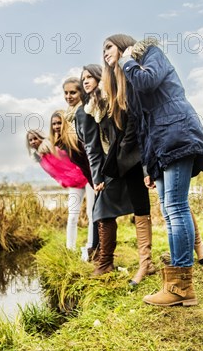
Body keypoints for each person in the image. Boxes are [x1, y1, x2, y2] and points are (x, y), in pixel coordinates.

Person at [104, 34, 203, 306]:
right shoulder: (128, 80)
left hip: (176, 134)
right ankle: (176, 283)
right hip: (160, 146)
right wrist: (147, 166)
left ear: (124, 45)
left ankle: (181, 285)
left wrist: (128, 61)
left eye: (108, 47)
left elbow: (148, 80)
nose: (104, 53)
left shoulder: (151, 54)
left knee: (176, 207)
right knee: (168, 209)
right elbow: (141, 125)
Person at [100, 61, 157, 286]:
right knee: (140, 208)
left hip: (150, 149)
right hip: (130, 159)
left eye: (110, 48)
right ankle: (146, 263)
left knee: (174, 201)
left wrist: (126, 148)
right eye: (104, 49)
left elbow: (138, 123)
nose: (106, 53)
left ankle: (198, 247)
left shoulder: (135, 80)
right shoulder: (113, 95)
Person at [74, 67, 133, 276]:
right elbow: (91, 147)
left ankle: (105, 261)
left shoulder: (109, 101)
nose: (86, 81)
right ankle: (103, 260)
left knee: (107, 210)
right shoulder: (86, 109)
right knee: (102, 211)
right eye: (83, 79)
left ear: (100, 77)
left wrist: (99, 175)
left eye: (90, 77)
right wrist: (97, 176)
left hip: (123, 162)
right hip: (109, 166)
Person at [26, 123, 87, 251]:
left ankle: (93, 245)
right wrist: (64, 182)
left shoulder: (52, 147)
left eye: (35, 138)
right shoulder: (39, 157)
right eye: (30, 140)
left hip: (86, 177)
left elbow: (71, 157)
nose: (33, 141)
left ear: (41, 137)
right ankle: (70, 249)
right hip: (74, 184)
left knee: (92, 213)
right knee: (72, 216)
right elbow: (55, 173)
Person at [61, 78, 96, 261]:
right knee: (74, 214)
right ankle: (74, 249)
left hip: (91, 172)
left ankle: (92, 248)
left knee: (92, 212)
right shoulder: (69, 116)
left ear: (81, 92)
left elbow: (89, 147)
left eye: (72, 92)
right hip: (81, 174)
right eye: (65, 93)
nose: (68, 96)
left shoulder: (84, 112)